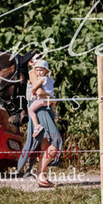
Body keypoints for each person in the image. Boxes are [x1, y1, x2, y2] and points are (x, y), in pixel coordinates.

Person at [18, 56, 63, 187]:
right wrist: (52, 99)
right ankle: (40, 172)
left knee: (45, 142)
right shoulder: (33, 73)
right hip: (41, 108)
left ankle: (42, 174)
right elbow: (38, 91)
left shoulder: (43, 76)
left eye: (40, 57)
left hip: (44, 107)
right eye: (35, 59)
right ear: (30, 62)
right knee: (56, 141)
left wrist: (51, 101)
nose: (38, 60)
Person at [28, 59, 55, 138]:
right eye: (37, 70)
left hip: (42, 99)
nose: (39, 72)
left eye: (41, 70)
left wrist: (33, 91)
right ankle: (54, 114)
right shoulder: (50, 79)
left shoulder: (42, 79)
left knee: (30, 110)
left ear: (46, 71)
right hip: (50, 99)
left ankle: (37, 126)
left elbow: (35, 87)